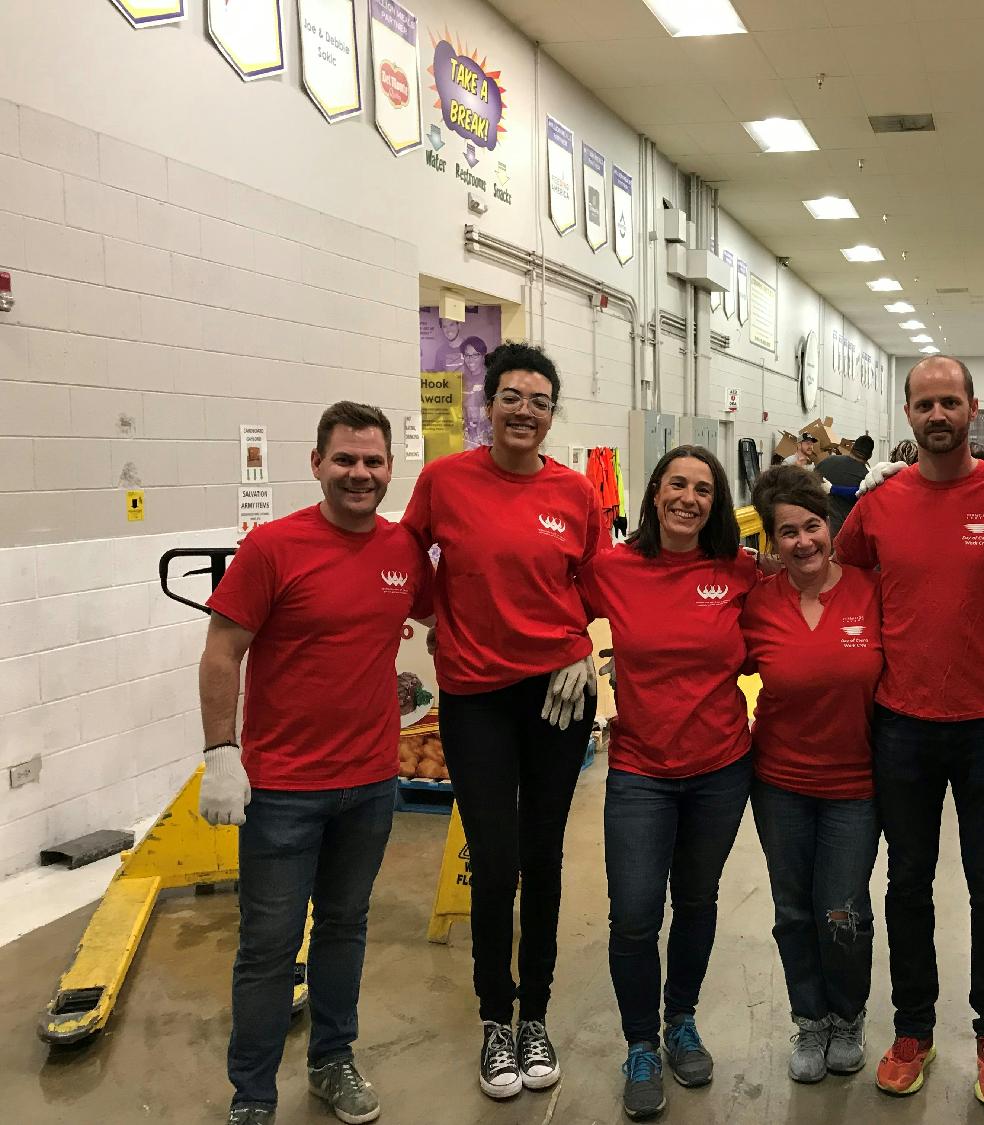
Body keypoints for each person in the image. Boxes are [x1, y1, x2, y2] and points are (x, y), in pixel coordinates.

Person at [198, 401, 432, 1125]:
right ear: (317, 463)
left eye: (373, 462)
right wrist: (220, 752)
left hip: (369, 782)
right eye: (346, 460)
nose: (360, 474)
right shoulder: (273, 546)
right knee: (267, 947)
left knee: (343, 925)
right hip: (281, 790)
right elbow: (222, 648)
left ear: (391, 468)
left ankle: (333, 1061)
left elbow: (458, 614)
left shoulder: (401, 552)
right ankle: (254, 1095)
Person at [401, 341, 603, 1103]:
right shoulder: (445, 481)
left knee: (544, 854)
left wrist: (582, 644)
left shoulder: (577, 493)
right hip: (477, 693)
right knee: (494, 857)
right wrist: (430, 612)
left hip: (557, 692)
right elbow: (406, 554)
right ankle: (495, 1016)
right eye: (512, 397)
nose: (525, 411)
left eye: (540, 400)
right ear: (489, 405)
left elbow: (595, 577)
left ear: (553, 415)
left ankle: (537, 1013)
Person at [837, 356, 984, 1107]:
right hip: (903, 725)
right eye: (926, 402)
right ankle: (912, 1026)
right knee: (907, 883)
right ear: (910, 413)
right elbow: (837, 578)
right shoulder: (879, 505)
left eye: (951, 401)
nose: (939, 413)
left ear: (973, 409)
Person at [577, 446, 760, 1121]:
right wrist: (574, 650)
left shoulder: (738, 570)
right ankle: (640, 1043)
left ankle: (680, 1018)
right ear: (654, 493)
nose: (688, 497)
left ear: (716, 503)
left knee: (698, 898)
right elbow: (553, 606)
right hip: (639, 771)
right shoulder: (614, 569)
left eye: (703, 489)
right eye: (676, 484)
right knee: (632, 912)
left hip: (720, 766)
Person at [741, 466, 884, 1084]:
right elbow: (701, 660)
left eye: (812, 526)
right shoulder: (758, 605)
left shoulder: (870, 590)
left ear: (831, 527)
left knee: (843, 909)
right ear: (770, 543)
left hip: (855, 785)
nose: (803, 542)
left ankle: (848, 1016)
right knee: (794, 910)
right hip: (779, 783)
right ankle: (811, 1020)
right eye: (787, 532)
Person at [814, 434, 874, 536]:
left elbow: (809, 484)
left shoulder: (827, 461)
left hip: (817, 527)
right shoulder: (867, 478)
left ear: (852, 448)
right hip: (845, 535)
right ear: (869, 456)